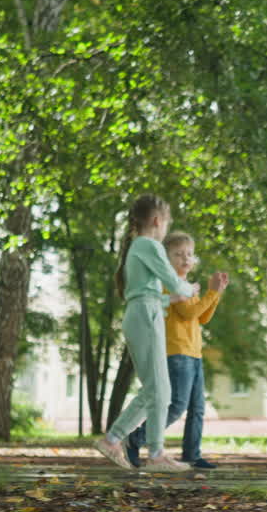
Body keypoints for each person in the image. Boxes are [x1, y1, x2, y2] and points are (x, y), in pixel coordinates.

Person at [93, 195, 198, 472]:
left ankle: (113, 439)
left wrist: (170, 300)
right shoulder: (149, 245)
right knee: (161, 390)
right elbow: (172, 281)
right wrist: (189, 290)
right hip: (145, 316)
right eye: (167, 223)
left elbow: (148, 293)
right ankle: (156, 455)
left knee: (153, 390)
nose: (166, 229)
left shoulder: (139, 247)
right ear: (156, 221)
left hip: (144, 312)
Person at [125, 232, 229, 470]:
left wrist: (216, 294)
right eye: (178, 254)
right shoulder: (168, 284)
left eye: (189, 254)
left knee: (197, 408)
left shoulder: (187, 287)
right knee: (176, 405)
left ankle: (192, 454)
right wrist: (211, 293)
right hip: (176, 351)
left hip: (194, 352)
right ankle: (135, 438)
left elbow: (201, 317)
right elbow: (188, 313)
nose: (185, 258)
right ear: (165, 259)